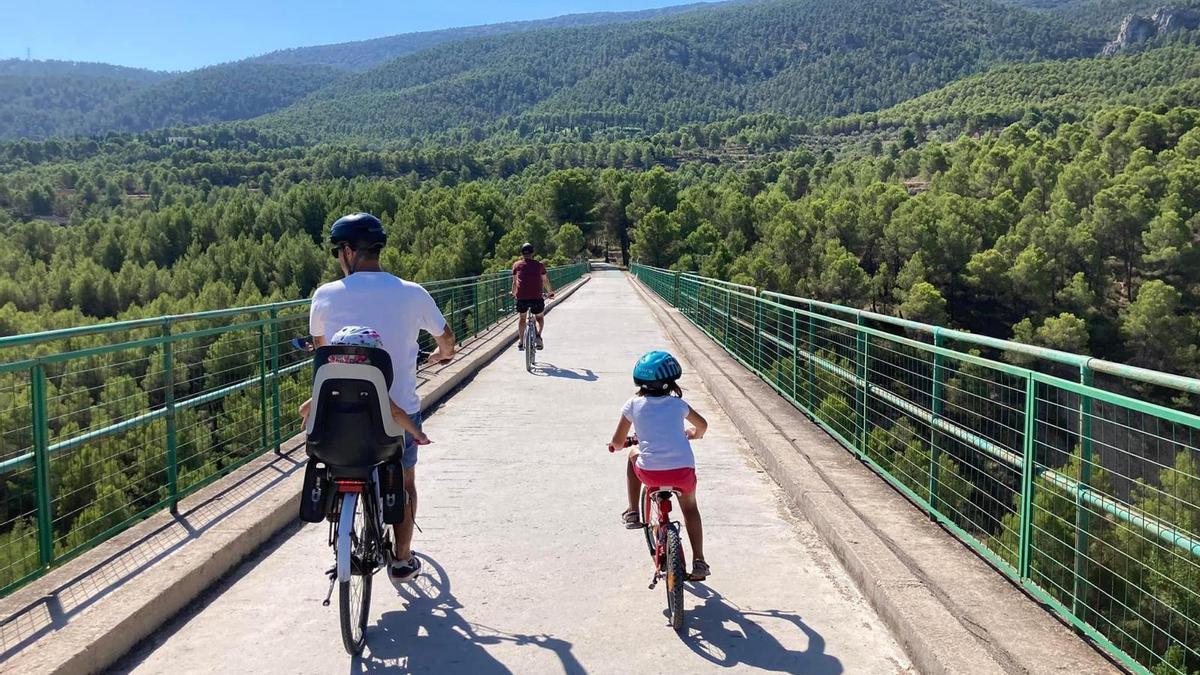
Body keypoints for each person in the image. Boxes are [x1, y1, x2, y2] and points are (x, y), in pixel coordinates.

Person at [308, 212, 456, 586]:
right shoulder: (412, 292)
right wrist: (442, 355)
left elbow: (323, 353)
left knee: (337, 464)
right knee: (404, 482)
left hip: (338, 412)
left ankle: (343, 525)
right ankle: (403, 561)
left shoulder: (324, 296)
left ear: (346, 252)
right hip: (398, 413)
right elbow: (447, 341)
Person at [607, 350, 710, 581]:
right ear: (670, 383)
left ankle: (633, 511)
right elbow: (702, 426)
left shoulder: (632, 404)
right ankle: (699, 560)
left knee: (633, 453)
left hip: (650, 475)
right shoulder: (678, 405)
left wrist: (618, 445)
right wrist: (692, 434)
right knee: (690, 508)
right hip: (683, 473)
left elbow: (617, 441)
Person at [298, 326, 430, 445]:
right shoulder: (373, 386)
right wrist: (418, 434)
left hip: (333, 445)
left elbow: (303, 410)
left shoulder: (328, 386)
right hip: (370, 445)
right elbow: (396, 413)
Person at [512, 242, 554, 350]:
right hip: (536, 298)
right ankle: (538, 336)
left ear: (522, 253)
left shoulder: (516, 265)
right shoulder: (539, 265)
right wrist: (550, 292)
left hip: (521, 298)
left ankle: (521, 342)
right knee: (539, 317)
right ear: (532, 253)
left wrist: (513, 293)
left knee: (522, 318)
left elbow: (515, 282)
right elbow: (545, 281)